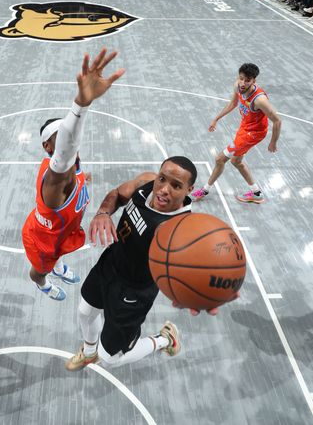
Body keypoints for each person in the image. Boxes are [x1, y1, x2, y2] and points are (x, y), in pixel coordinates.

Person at [65, 157, 238, 371]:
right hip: (110, 263)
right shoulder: (146, 182)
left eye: (176, 186)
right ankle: (89, 353)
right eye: (162, 179)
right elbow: (118, 194)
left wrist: (206, 291)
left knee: (110, 358)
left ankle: (165, 339)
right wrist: (103, 213)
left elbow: (195, 266)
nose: (164, 189)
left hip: (133, 292)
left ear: (189, 190)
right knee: (85, 311)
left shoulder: (180, 230)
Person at [22, 48, 124, 300]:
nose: (71, 142)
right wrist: (81, 106)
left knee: (59, 254)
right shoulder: (56, 181)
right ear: (48, 147)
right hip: (44, 243)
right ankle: (42, 283)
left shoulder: (73, 170)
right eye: (61, 137)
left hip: (63, 233)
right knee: (39, 271)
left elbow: (71, 158)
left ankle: (57, 266)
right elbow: (65, 152)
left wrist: (84, 179)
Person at [191, 63, 282, 204]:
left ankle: (205, 189)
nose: (243, 83)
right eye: (241, 78)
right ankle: (256, 193)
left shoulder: (259, 100)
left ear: (254, 81)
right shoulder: (238, 87)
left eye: (247, 80)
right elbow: (233, 104)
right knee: (236, 161)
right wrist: (216, 118)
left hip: (254, 133)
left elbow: (277, 121)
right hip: (245, 127)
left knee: (220, 159)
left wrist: (273, 142)